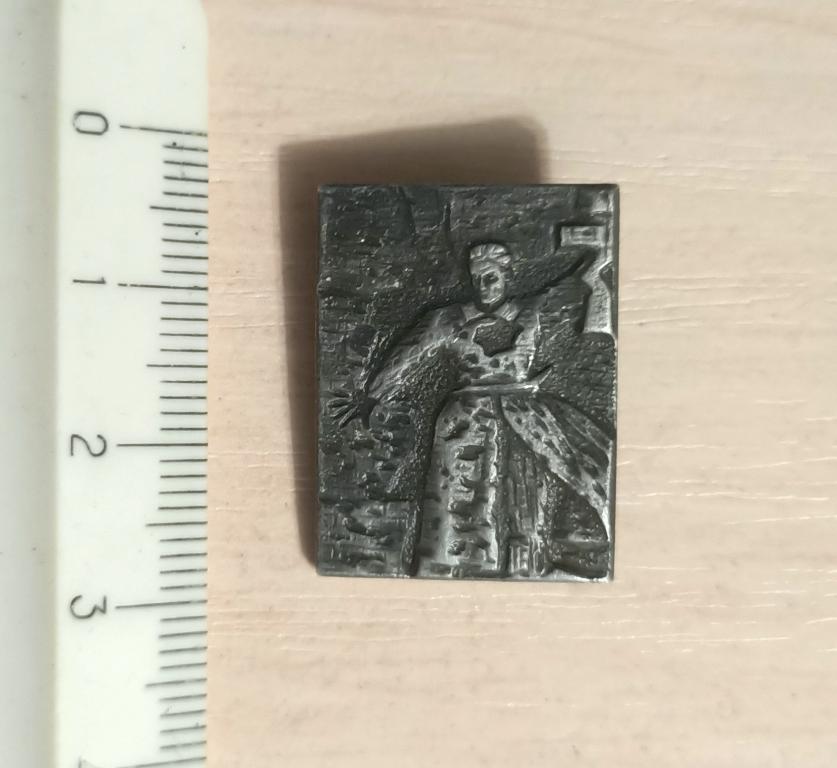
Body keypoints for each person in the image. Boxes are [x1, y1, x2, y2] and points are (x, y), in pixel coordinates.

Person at [330, 242, 611, 578]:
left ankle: (530, 561)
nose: (483, 286)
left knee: (530, 490)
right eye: (476, 279)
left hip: (522, 415)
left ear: (507, 276)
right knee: (461, 497)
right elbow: (408, 357)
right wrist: (371, 395)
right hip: (466, 420)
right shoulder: (447, 320)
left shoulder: (531, 311)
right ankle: (456, 566)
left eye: (491, 277)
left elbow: (573, 286)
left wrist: (595, 260)